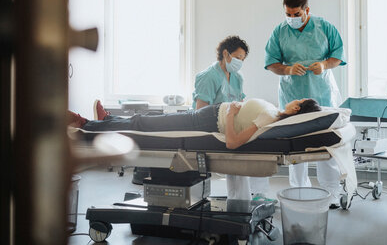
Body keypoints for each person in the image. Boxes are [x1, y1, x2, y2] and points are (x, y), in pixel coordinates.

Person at [264, 0, 346, 209]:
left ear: (306, 10)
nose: (291, 19)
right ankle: (299, 191)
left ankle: (332, 194)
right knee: (295, 147)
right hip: (293, 96)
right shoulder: (280, 32)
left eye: (296, 13)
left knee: (326, 145)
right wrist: (288, 68)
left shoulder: (324, 27)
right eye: (288, 14)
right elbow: (272, 63)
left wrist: (325, 65)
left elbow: (338, 54)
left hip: (322, 92)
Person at [68, 98, 322, 150]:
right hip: (209, 115)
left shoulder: (270, 119)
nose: (293, 100)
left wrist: (232, 113)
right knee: (143, 121)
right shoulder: (274, 113)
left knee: (142, 123)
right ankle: (106, 120)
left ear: (297, 108)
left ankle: (86, 124)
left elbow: (233, 142)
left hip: (208, 120)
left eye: (297, 101)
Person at [191, 36, 269, 200]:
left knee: (258, 142)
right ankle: (240, 202)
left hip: (230, 122)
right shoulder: (208, 76)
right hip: (212, 124)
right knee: (239, 150)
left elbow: (240, 104)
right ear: (226, 54)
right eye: (238, 58)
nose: (240, 62)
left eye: (242, 59)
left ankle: (257, 194)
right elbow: (200, 113)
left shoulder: (237, 77)